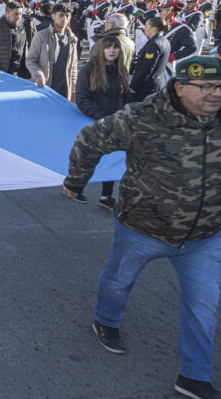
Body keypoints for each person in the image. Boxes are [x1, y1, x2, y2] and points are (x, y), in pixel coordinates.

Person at [62, 55, 221, 399]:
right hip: (142, 227)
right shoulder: (142, 118)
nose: (215, 94)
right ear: (180, 88)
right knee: (119, 282)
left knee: (204, 307)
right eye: (206, 86)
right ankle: (107, 320)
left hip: (205, 235)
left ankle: (193, 376)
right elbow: (90, 140)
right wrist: (76, 182)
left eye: (220, 86)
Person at [73, 37, 130, 209]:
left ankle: (106, 196)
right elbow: (82, 98)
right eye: (108, 48)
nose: (112, 51)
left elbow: (126, 96)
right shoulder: (89, 69)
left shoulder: (121, 70)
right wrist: (100, 116)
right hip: (94, 121)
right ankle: (75, 188)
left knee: (112, 157)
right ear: (101, 50)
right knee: (88, 158)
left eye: (115, 48)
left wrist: (126, 115)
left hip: (116, 121)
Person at [26, 3, 78, 100]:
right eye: (61, 15)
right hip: (45, 88)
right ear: (53, 16)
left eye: (68, 15)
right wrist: (39, 76)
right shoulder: (41, 36)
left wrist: (74, 89)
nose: (65, 19)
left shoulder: (72, 39)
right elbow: (30, 60)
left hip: (65, 91)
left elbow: (73, 67)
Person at [0, 1, 35, 77]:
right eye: (15, 14)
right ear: (6, 14)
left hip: (21, 73)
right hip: (2, 71)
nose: (19, 17)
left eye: (20, 14)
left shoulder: (24, 26)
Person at [130, 16, 171, 103]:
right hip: (157, 83)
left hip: (146, 87)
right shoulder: (164, 40)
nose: (144, 29)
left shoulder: (154, 43)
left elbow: (147, 68)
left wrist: (134, 86)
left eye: (146, 26)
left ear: (154, 29)